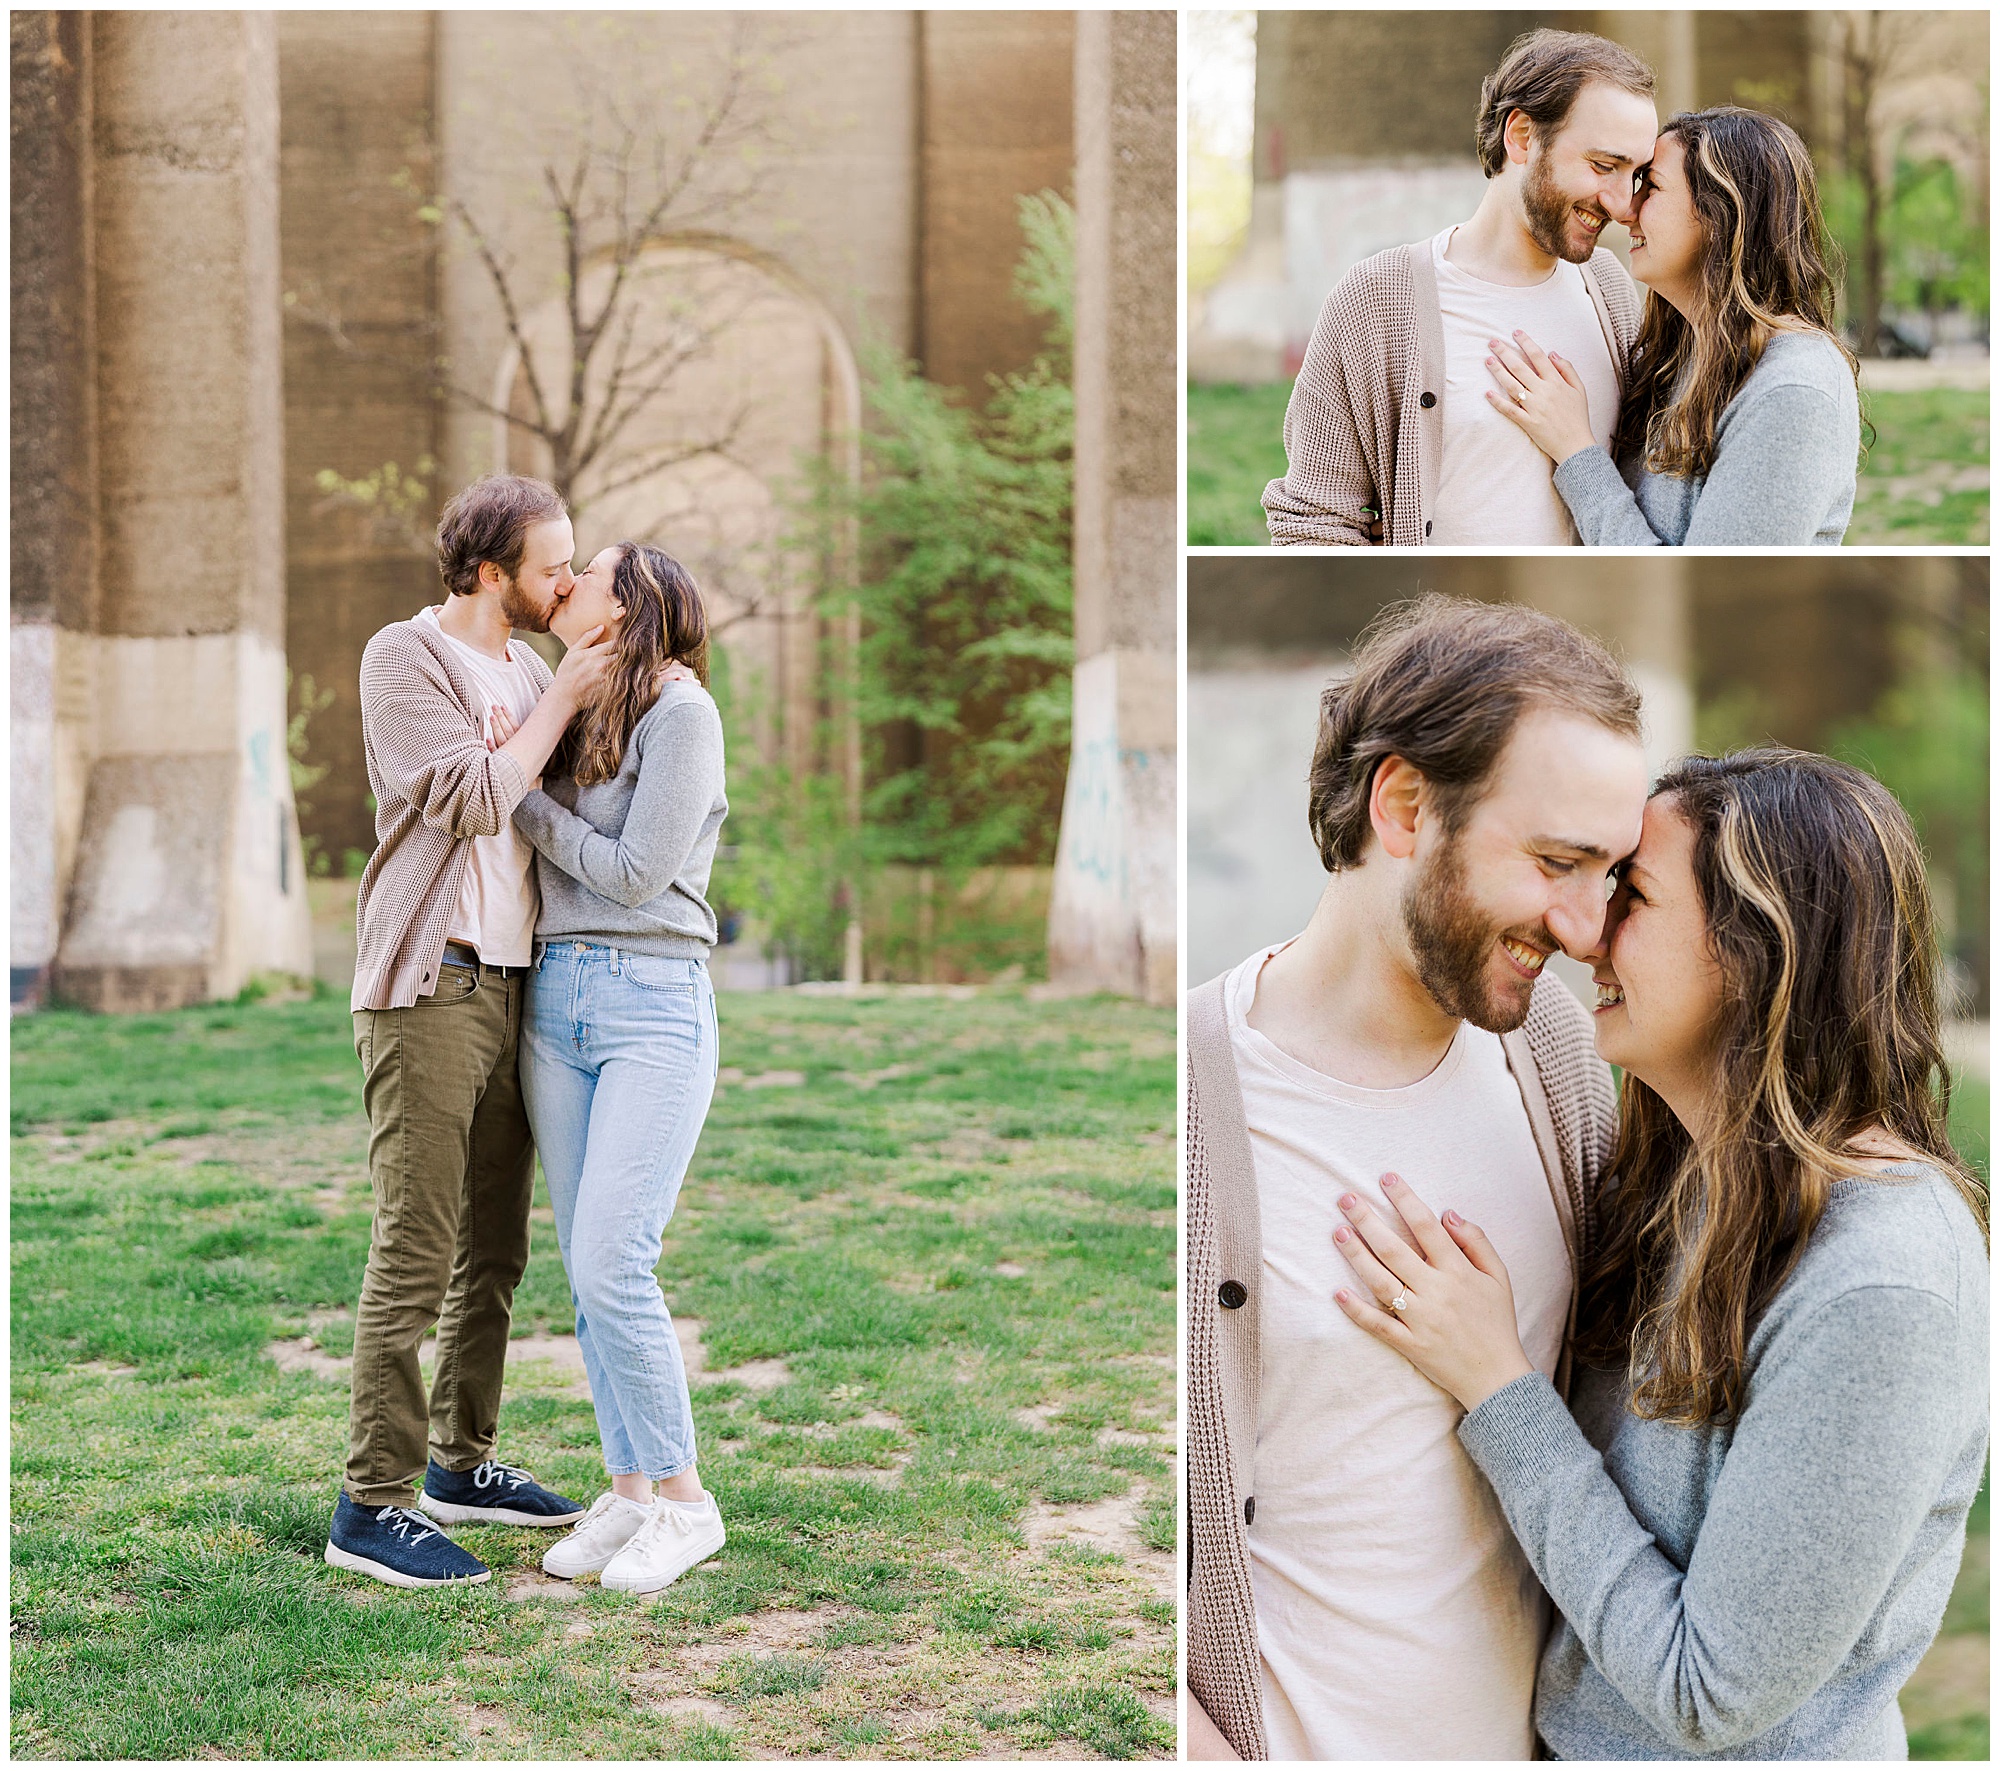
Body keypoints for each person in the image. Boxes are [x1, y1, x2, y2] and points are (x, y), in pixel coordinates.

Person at [1334, 749, 1988, 1758]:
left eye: (1627, 895)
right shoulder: (1682, 1179)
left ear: (1756, 947)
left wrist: (1494, 1382)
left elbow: (1709, 1693)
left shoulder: (1882, 1280)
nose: (1583, 931)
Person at [1185, 596, 1651, 1759]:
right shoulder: (1189, 1096)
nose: (1586, 926)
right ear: (1401, 805)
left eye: (1608, 874)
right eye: (1554, 861)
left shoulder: (1558, 1061)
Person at [326, 474, 616, 1590]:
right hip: (428, 982)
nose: (566, 579)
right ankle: (372, 1501)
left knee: (495, 1248)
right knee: (416, 1243)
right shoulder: (404, 658)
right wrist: (560, 697)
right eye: (552, 563)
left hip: (514, 981)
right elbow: (471, 797)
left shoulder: (533, 667)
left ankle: (461, 1464)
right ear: (492, 573)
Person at [500, 541, 731, 1597]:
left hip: (651, 1000)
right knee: (586, 1279)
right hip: (557, 1003)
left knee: (612, 1259)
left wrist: (527, 805)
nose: (565, 584)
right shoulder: (576, 701)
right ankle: (630, 1489)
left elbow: (639, 875)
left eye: (584, 572)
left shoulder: (682, 715)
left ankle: (686, 1503)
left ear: (627, 605)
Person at [1262, 29, 1656, 546]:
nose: (1623, 203)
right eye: (1603, 165)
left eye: (1636, 174)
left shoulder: (1610, 290)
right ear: (1521, 137)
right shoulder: (1376, 299)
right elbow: (1311, 521)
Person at [1484, 107, 1863, 544]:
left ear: (1722, 216)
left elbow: (1710, 588)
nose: (1625, 210)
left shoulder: (1793, 389)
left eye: (1652, 186)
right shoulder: (1676, 357)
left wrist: (1576, 451)